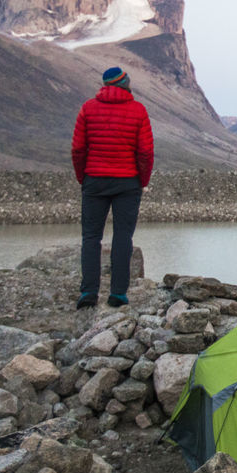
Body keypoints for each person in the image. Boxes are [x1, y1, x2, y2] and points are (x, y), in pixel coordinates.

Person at [72, 66, 154, 309]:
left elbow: (78, 149)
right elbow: (146, 152)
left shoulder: (88, 108)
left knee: (90, 237)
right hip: (128, 181)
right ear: (125, 83)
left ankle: (88, 292)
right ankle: (118, 293)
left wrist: (83, 178)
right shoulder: (138, 110)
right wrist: (142, 180)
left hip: (94, 179)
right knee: (123, 236)